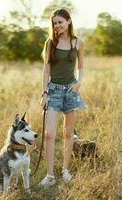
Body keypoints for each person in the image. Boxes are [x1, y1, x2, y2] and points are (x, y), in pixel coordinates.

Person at [39, 8, 86, 187]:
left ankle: (65, 170)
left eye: (60, 22)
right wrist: (44, 93)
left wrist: (79, 82)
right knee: (49, 133)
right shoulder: (50, 43)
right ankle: (49, 175)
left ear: (68, 21)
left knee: (68, 133)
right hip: (54, 91)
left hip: (71, 91)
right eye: (54, 23)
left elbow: (81, 66)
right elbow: (46, 70)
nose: (57, 25)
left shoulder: (78, 43)